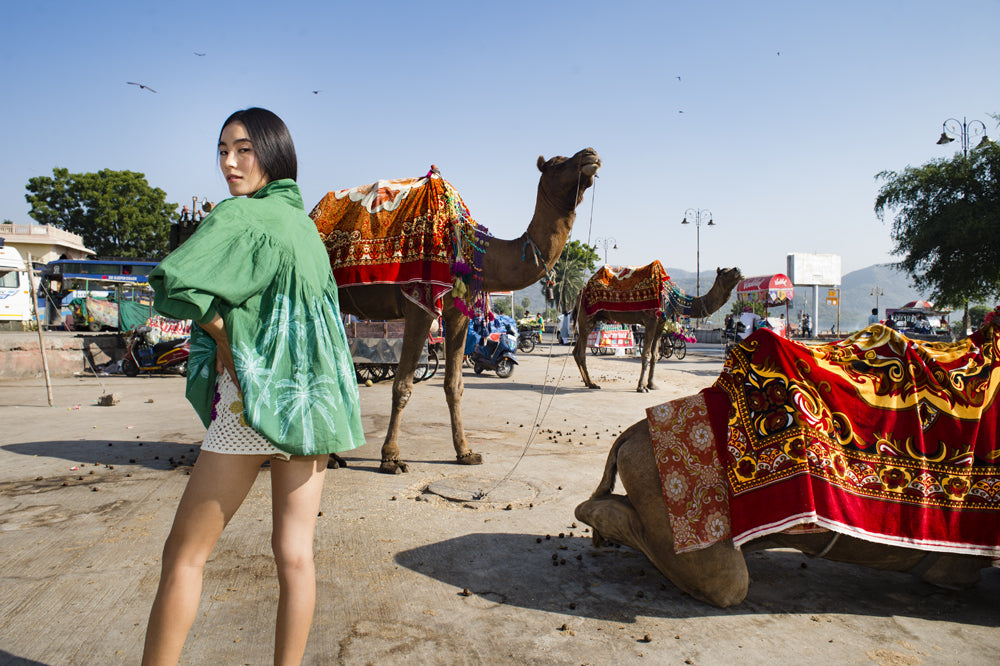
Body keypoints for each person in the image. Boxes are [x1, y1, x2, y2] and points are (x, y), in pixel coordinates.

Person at [141, 108, 365, 666]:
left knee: (185, 557)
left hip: (252, 404)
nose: (229, 162)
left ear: (273, 152)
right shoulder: (306, 230)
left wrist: (222, 339)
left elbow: (176, 281)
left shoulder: (239, 217)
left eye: (243, 149)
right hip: (310, 407)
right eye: (222, 150)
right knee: (295, 557)